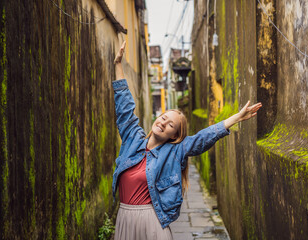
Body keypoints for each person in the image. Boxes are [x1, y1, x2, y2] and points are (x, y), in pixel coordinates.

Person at [111, 41, 262, 240]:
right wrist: (118, 64)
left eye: (171, 125)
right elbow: (124, 107)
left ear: (174, 136)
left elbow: (202, 138)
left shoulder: (175, 151)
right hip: (124, 218)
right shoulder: (132, 139)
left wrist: (236, 118)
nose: (163, 123)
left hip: (153, 222)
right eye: (163, 117)